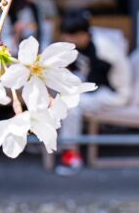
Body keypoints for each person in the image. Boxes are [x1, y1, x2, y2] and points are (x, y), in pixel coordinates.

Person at [54, 11, 132, 175]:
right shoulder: (86, 43)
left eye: (70, 37)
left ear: (82, 35)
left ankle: (71, 154)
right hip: (98, 86)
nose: (67, 41)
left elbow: (94, 84)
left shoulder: (101, 51)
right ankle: (59, 142)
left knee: (71, 105)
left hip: (114, 93)